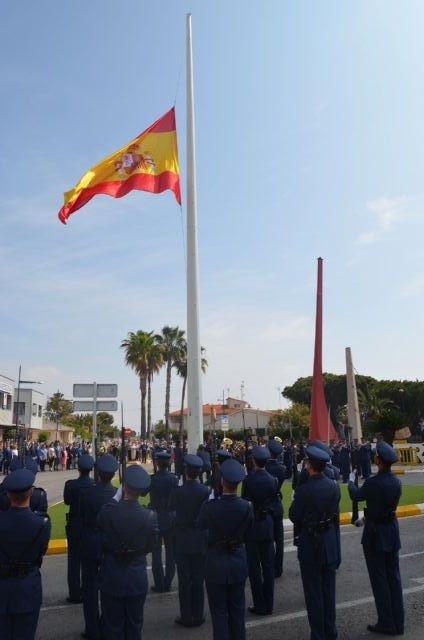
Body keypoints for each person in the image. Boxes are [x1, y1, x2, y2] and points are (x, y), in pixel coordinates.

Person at [348, 440, 404, 636]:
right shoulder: (396, 481)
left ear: (378, 461)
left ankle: (386, 621)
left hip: (376, 534)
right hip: (391, 530)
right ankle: (398, 621)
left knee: (379, 580)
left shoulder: (374, 482)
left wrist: (350, 481)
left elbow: (356, 495)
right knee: (394, 578)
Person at [97, 464, 158, 640]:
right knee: (134, 627)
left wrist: (115, 498)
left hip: (111, 577)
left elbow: (99, 520)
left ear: (123, 487)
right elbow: (150, 547)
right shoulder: (150, 517)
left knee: (113, 628)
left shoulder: (108, 511)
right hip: (136, 577)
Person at [289, 444, 341, 640]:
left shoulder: (304, 490)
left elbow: (294, 516)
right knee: (328, 592)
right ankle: (331, 631)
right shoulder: (333, 486)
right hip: (328, 540)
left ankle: (318, 635)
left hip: (311, 542)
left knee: (313, 593)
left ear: (310, 465)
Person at [198, 458, 253, 640]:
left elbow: (200, 526)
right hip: (237, 561)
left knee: (219, 614)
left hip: (215, 563)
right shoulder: (246, 507)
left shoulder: (209, 507)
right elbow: (248, 531)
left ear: (222, 482)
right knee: (237, 613)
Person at [0, 468, 51, 640]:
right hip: (27, 588)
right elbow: (40, 552)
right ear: (31, 492)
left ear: (7, 495)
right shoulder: (42, 523)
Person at [168, 453, 209, 627]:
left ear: (186, 470)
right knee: (198, 579)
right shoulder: (205, 491)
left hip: (183, 539)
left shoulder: (178, 491)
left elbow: (171, 512)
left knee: (184, 581)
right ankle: (198, 615)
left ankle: (186, 615)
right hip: (199, 539)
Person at [80, 454, 118, 640]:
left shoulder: (87, 493)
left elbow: (81, 519)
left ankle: (92, 628)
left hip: (89, 541)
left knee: (89, 589)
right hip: (109, 543)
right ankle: (106, 625)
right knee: (109, 587)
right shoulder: (117, 494)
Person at [242, 445, 277, 616]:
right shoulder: (273, 479)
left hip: (253, 525)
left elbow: (245, 505)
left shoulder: (249, 481)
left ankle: (259, 603)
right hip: (267, 524)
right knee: (268, 566)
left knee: (254, 568)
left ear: (254, 461)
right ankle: (269, 603)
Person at [63, 454, 95, 604]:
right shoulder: (94, 484)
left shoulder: (70, 485)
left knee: (73, 561)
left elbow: (67, 501)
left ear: (78, 468)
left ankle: (75, 594)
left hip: (75, 525)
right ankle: (88, 591)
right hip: (90, 526)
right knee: (89, 561)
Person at [149, 449, 178, 593]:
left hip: (156, 517)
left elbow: (143, 492)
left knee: (156, 553)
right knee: (170, 552)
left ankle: (159, 583)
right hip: (171, 517)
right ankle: (167, 583)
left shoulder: (153, 479)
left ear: (158, 463)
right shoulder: (174, 479)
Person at [265, 439, 286, 578]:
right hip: (277, 504)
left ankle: (271, 566)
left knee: (269, 539)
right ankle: (279, 567)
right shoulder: (281, 469)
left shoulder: (264, 467)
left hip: (266, 505)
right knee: (279, 539)